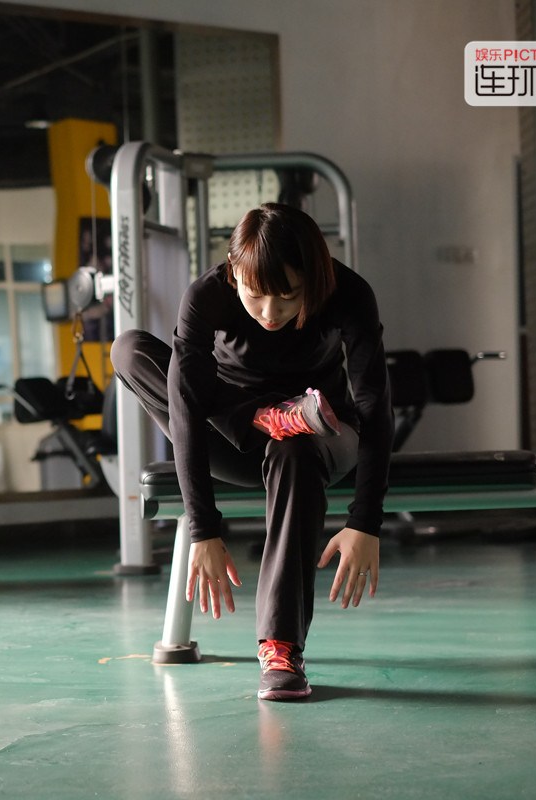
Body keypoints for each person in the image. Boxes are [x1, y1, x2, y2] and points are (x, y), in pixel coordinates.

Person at [110, 202, 392, 701]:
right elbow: (186, 410)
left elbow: (373, 405)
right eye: (255, 295)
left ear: (315, 277)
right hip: (235, 436)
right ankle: (264, 416)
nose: (269, 313)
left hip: (322, 433)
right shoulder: (206, 295)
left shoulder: (349, 292)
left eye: (288, 297)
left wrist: (365, 521)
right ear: (234, 272)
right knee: (128, 349)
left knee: (295, 453)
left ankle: (281, 648)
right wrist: (204, 528)